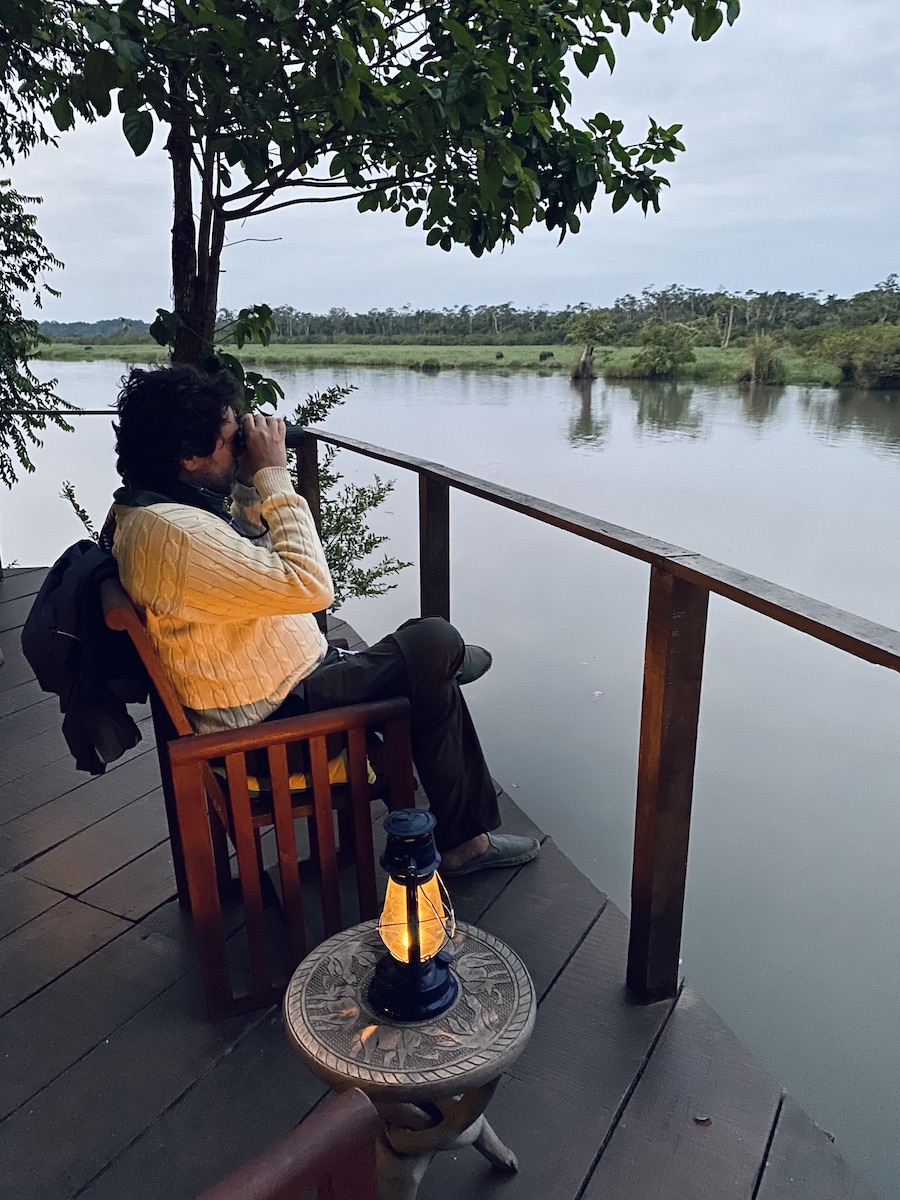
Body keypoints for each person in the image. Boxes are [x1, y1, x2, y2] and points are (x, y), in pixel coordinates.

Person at [106, 364, 539, 876]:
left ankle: (469, 841)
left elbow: (253, 563)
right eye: (230, 440)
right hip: (274, 729)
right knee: (433, 641)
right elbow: (310, 588)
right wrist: (272, 476)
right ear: (188, 454)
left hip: (286, 687)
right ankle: (455, 679)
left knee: (430, 667)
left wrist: (245, 486)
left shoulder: (160, 512)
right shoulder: (174, 535)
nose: (242, 445)